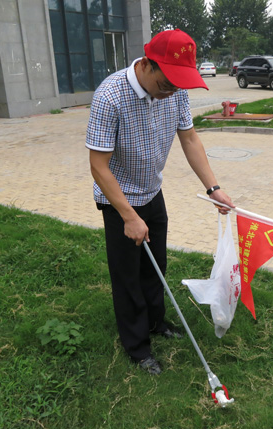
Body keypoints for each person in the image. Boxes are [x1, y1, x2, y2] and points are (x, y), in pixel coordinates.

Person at [86, 29, 234, 375]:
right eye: (165, 84)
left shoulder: (175, 91)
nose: (171, 92)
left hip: (153, 191)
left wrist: (213, 188)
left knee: (156, 267)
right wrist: (129, 216)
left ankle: (156, 322)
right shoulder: (109, 96)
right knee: (128, 277)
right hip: (119, 200)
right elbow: (98, 166)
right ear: (146, 64)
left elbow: (190, 139)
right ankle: (137, 347)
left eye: (177, 86)